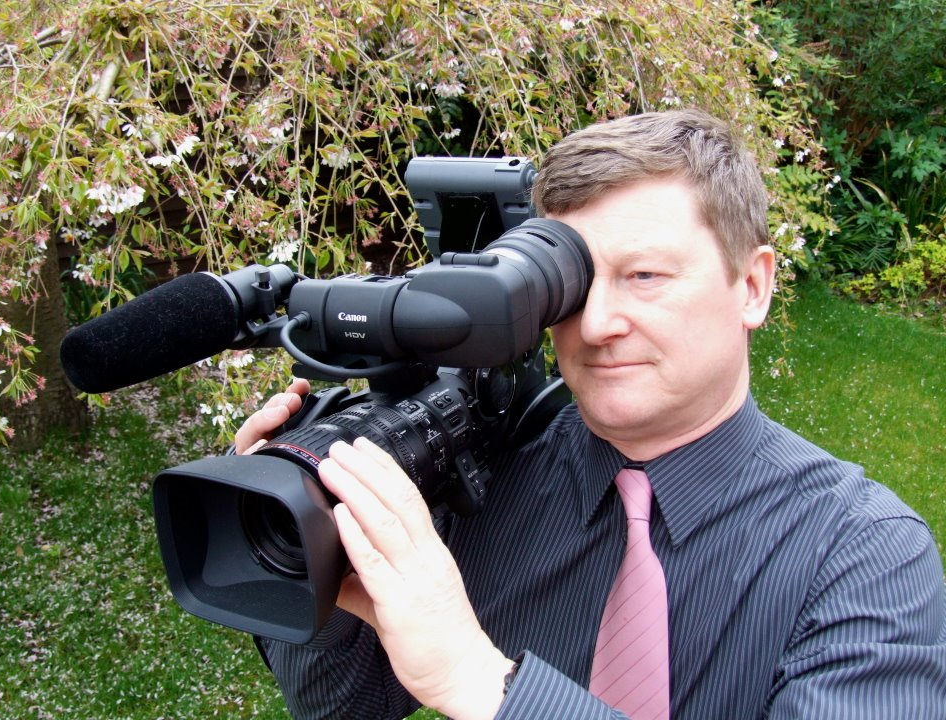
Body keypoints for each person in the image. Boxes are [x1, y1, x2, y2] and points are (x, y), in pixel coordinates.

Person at [234, 109, 946, 719]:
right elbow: (346, 706)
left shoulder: (863, 556)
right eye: (573, 287)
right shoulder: (486, 472)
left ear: (753, 286)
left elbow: (460, 675)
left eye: (645, 276)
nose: (598, 324)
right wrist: (304, 549)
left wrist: (480, 681)